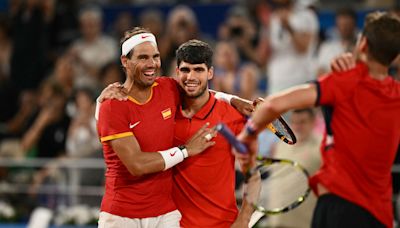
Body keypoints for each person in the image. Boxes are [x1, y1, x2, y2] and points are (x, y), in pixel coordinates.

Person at [237, 11, 400, 228]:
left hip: (339, 209)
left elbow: (273, 104)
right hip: (380, 216)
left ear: (363, 44)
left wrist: (247, 136)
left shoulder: (345, 82)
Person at [96, 27, 216, 228]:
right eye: (143, 57)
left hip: (165, 213)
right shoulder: (112, 105)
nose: (152, 64)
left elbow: (201, 93)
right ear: (125, 61)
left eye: (156, 56)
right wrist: (185, 151)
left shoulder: (168, 88)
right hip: (121, 216)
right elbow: (137, 165)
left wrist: (235, 100)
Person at [172, 39, 259, 227]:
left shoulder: (233, 116)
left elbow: (253, 175)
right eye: (185, 70)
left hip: (223, 224)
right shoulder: (165, 110)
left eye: (199, 70)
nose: (191, 76)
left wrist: (244, 220)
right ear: (177, 72)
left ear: (210, 72)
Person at [265, 108, 322, 228]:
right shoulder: (280, 145)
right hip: (276, 220)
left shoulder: (321, 148)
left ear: (313, 122)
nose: (297, 126)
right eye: (294, 122)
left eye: (302, 122)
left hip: (304, 222)